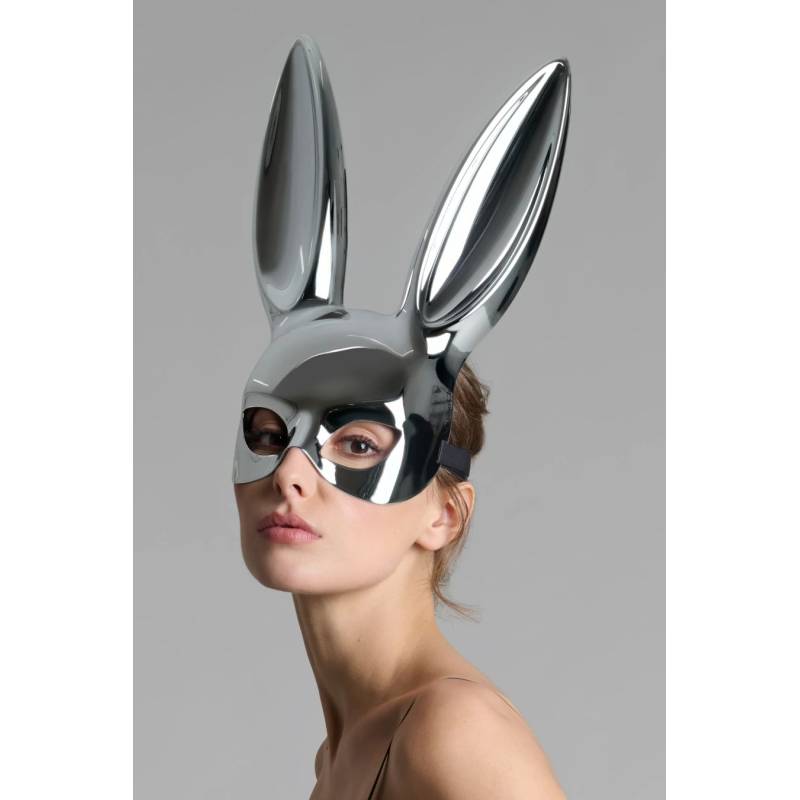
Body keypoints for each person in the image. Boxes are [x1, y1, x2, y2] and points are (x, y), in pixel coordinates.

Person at [232, 35, 571, 799]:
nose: (289, 474)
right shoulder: (339, 758)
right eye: (268, 434)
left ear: (444, 514)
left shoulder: (453, 732)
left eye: (356, 443)